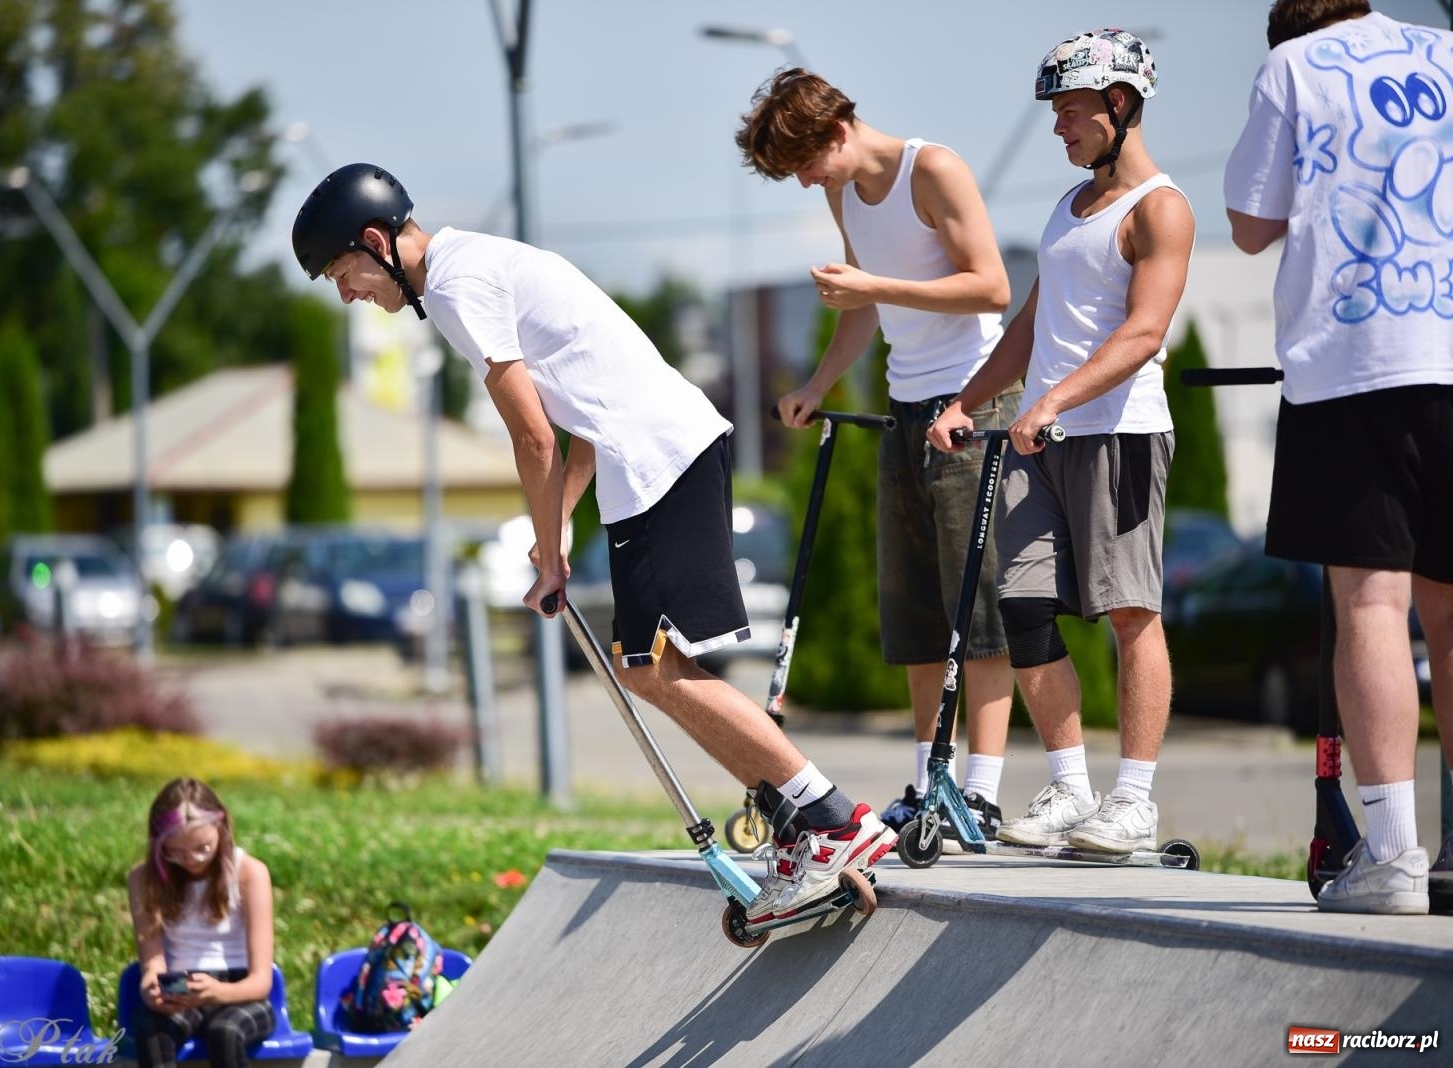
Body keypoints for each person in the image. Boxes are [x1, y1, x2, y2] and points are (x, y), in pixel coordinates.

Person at [291, 164, 896, 924]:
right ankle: (803, 825)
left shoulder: (452, 285)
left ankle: (834, 822)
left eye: (343, 273)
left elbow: (533, 438)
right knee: (649, 669)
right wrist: (559, 542)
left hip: (659, 459)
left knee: (652, 669)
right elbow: (579, 425)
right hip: (653, 455)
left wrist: (547, 551)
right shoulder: (483, 262)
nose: (347, 293)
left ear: (376, 244)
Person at [733, 69, 1018, 844]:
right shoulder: (842, 193)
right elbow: (862, 307)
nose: (803, 181)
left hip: (973, 400)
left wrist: (874, 282)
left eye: (803, 162)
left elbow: (991, 287)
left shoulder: (934, 169)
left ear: (836, 130)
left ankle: (983, 793)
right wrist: (818, 384)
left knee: (977, 610)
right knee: (916, 609)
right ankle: (932, 783)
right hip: (904, 405)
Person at [929, 28, 1195, 855]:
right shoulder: (1069, 207)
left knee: (1128, 614)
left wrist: (1051, 402)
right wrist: (967, 399)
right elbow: (1033, 324)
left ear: (1119, 104)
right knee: (1026, 609)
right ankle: (1073, 790)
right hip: (1036, 438)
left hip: (1116, 435)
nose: (1059, 129)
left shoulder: (1161, 207)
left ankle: (1136, 801)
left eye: (1071, 113)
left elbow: (1144, 333)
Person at [1224, 0, 1453, 914]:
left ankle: (1394, 857)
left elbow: (1248, 222)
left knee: (1372, 601)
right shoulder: (1444, 50)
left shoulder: (1295, 64)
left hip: (1355, 361)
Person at [126, 778, 276, 1068]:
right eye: (175, 852)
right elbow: (152, 964)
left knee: (226, 1032)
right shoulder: (144, 879)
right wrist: (152, 991)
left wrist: (221, 992)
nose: (191, 860)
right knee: (152, 1029)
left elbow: (261, 981)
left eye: (202, 848)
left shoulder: (250, 873)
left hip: (241, 991)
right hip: (181, 986)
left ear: (221, 826)